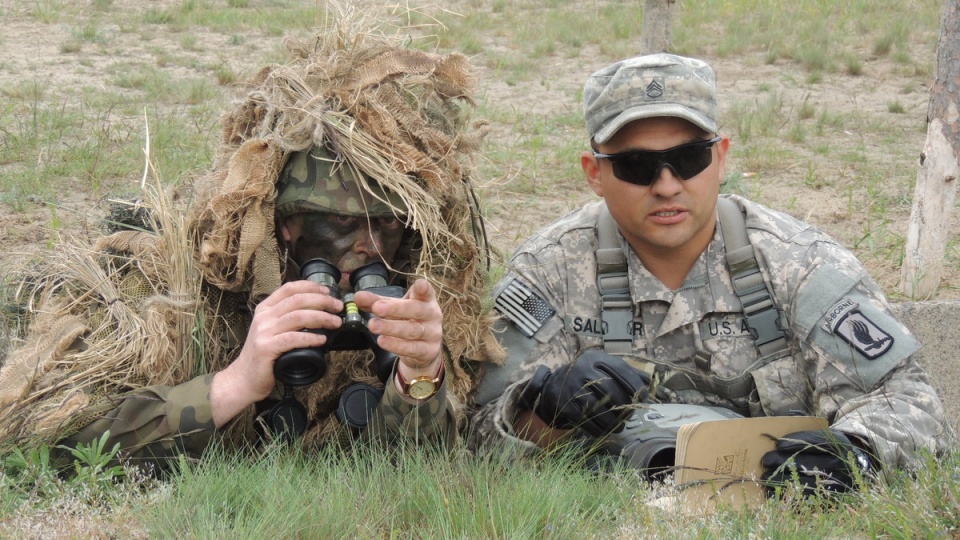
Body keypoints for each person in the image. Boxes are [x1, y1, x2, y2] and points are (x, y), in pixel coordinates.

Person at [0, 21, 502, 471]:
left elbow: (428, 469)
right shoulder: (170, 290)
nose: (365, 250)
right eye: (334, 227)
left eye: (385, 227)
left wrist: (418, 375)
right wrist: (236, 382)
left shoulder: (425, 286)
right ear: (280, 226)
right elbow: (44, 443)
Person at [469, 53, 948, 496]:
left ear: (720, 157)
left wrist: (855, 453)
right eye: (637, 166)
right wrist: (542, 411)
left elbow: (910, 401)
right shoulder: (548, 272)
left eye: (689, 159)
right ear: (594, 172)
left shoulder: (800, 265)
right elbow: (475, 432)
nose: (667, 185)